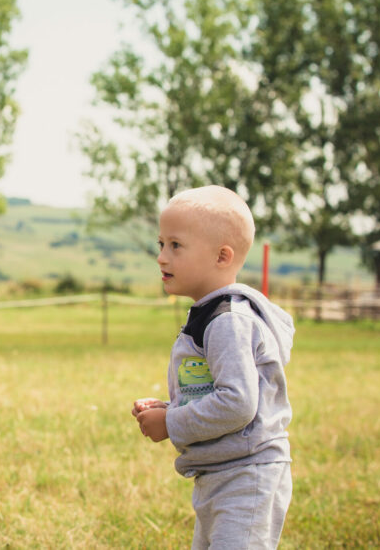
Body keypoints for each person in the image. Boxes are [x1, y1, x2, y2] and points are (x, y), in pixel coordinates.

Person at [132, 185, 295, 549]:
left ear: (222, 256)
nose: (161, 257)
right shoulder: (210, 315)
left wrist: (172, 424)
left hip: (247, 475)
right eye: (161, 244)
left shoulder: (227, 321)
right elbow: (215, 391)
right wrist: (171, 408)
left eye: (176, 245)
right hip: (222, 472)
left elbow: (237, 403)